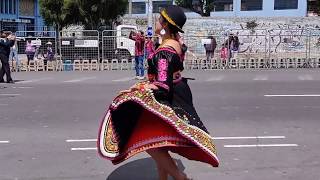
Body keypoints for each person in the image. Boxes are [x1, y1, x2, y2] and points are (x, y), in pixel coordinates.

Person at [98, 5, 219, 180]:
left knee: (148, 140)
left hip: (169, 95)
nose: (156, 21)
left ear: (165, 25)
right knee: (159, 140)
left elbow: (162, 85)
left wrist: (137, 89)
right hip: (178, 89)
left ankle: (180, 177)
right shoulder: (174, 43)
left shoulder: (165, 52)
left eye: (159, 19)